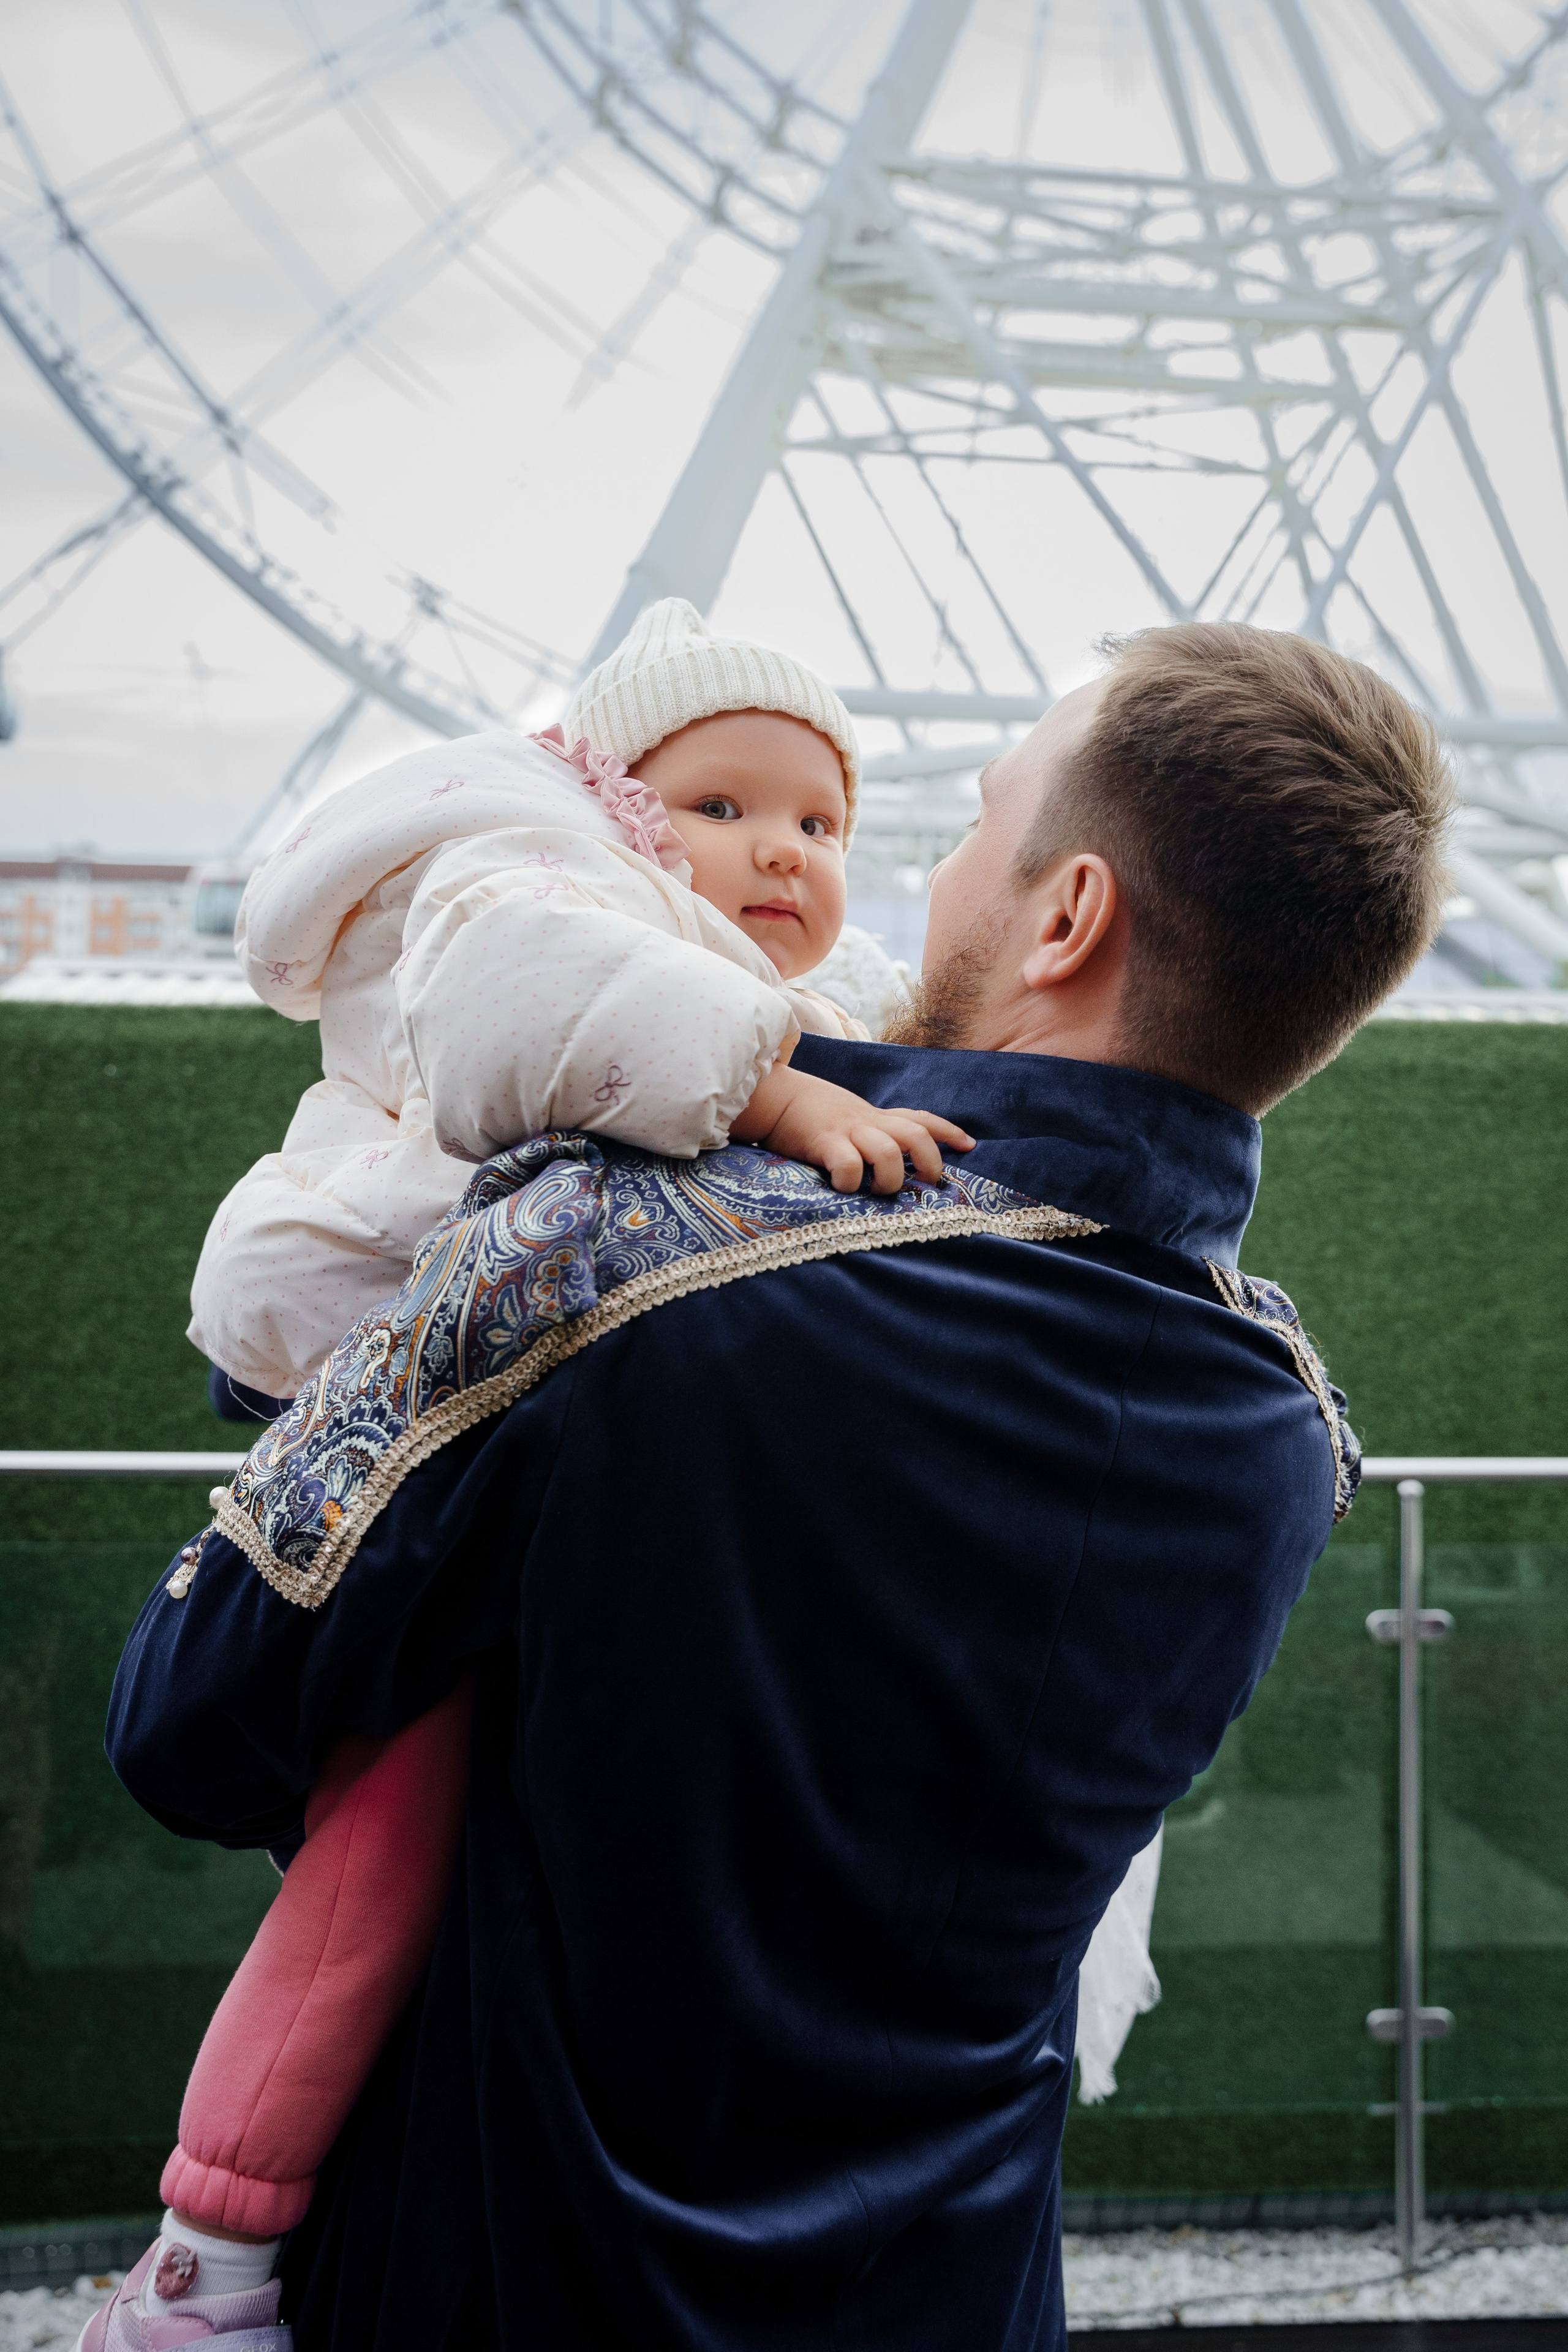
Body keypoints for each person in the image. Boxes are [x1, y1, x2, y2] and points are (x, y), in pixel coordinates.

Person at [103, 622, 1452, 2352]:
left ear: (1068, 917)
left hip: (515, 2286)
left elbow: (186, 1720)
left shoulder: (612, 1253)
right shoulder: (1285, 1427)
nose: (914, 869)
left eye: (976, 821)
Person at [189, 595, 968, 1406]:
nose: (783, 851)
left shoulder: (764, 976)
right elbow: (537, 997)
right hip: (374, 1279)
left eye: (818, 824)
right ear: (614, 804)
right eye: (719, 808)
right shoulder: (544, 880)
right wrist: (777, 1099)